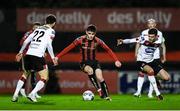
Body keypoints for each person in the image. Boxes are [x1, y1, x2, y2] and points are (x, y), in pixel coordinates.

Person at [55, 24, 121, 101]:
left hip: (95, 62)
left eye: (93, 34)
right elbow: (68, 48)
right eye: (89, 33)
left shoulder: (98, 41)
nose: (91, 36)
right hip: (83, 63)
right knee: (90, 70)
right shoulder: (79, 40)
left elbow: (108, 50)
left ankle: (106, 96)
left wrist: (116, 60)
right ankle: (99, 90)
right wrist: (57, 57)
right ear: (86, 32)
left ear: (95, 34)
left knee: (100, 77)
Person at [12, 14, 58, 102]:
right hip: (38, 55)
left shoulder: (37, 28)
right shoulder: (51, 31)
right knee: (44, 77)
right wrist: (53, 57)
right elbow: (49, 44)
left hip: (28, 54)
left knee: (25, 74)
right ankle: (33, 94)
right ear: (54, 23)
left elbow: (26, 41)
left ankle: (15, 95)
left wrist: (20, 52)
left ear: (45, 21)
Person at [117, 28, 170, 100]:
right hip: (141, 61)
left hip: (151, 61)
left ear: (156, 36)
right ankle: (158, 94)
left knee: (167, 78)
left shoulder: (159, 41)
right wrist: (122, 41)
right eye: (149, 36)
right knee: (150, 71)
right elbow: (131, 40)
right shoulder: (143, 38)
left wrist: (162, 57)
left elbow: (163, 47)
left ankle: (155, 78)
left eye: (152, 37)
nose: (150, 38)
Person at [133, 19, 167, 98]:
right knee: (142, 73)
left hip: (155, 57)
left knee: (152, 73)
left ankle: (150, 93)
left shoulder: (160, 34)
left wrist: (164, 56)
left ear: (155, 24)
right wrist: (136, 53)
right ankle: (138, 92)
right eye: (149, 24)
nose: (151, 25)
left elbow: (163, 46)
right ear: (147, 25)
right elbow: (138, 43)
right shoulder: (144, 32)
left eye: (153, 23)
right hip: (144, 57)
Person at [19, 22, 41, 98]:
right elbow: (22, 42)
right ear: (33, 27)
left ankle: (34, 92)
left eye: (38, 27)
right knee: (26, 73)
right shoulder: (28, 33)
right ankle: (22, 89)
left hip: (34, 55)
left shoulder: (39, 35)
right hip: (26, 55)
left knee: (33, 74)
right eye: (35, 27)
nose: (36, 28)